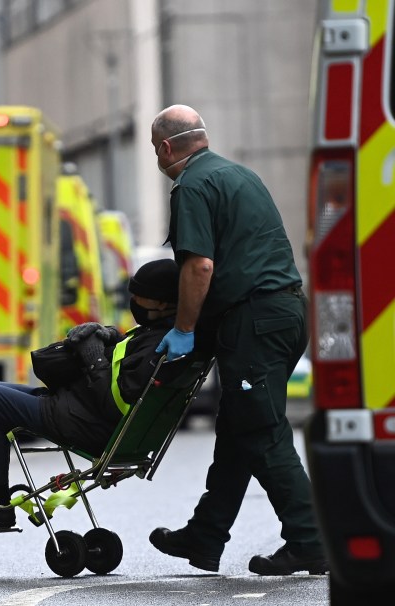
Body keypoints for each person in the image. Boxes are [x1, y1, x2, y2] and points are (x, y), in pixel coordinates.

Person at [148, 105, 326, 576]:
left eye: (155, 151)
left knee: (263, 431)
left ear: (167, 148)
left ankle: (311, 540)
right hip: (287, 314)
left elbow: (199, 266)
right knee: (238, 428)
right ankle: (205, 537)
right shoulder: (240, 175)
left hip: (254, 322)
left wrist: (183, 330)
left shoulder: (191, 187)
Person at [0, 259, 181, 528]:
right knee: (1, 391)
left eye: (139, 295)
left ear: (162, 303)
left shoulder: (158, 345)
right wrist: (109, 336)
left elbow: (113, 403)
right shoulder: (166, 335)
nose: (133, 300)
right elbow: (129, 366)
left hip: (88, 422)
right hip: (83, 410)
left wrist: (94, 359)